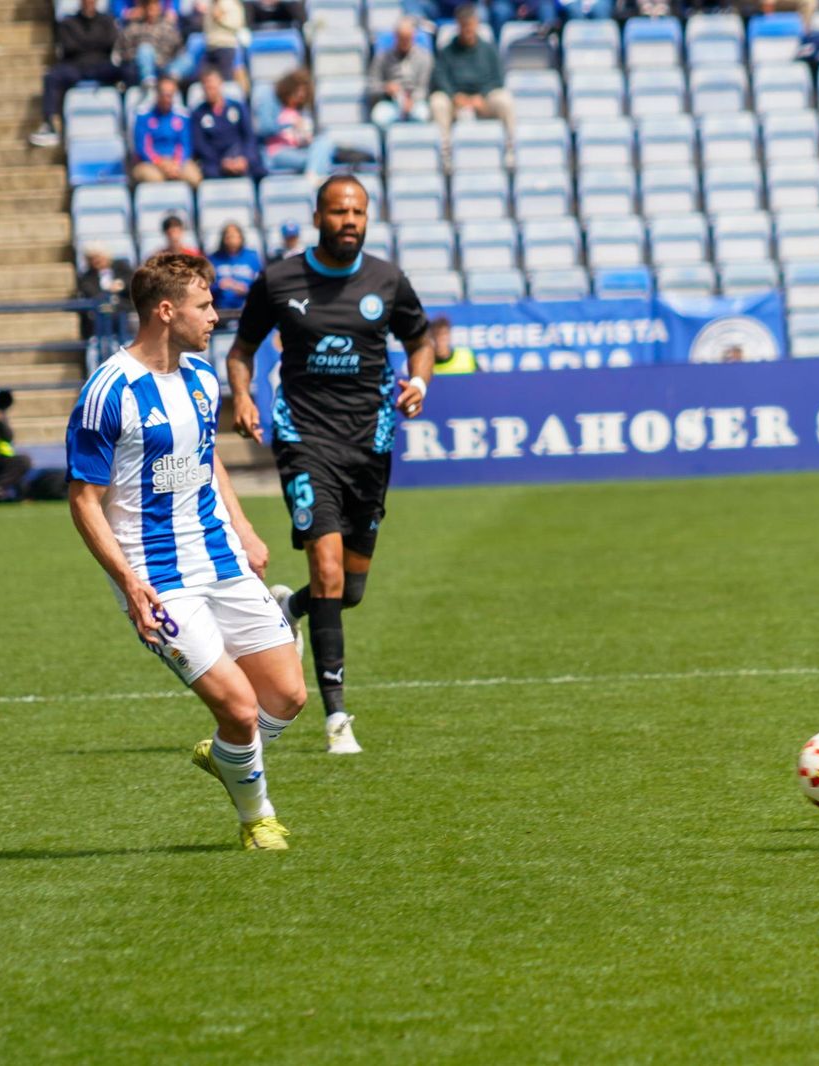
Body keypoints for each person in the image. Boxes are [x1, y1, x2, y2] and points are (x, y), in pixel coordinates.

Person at [65, 253, 307, 851]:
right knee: (241, 708)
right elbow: (84, 501)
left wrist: (245, 527)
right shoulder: (108, 391)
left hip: (220, 556)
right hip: (157, 575)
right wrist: (129, 584)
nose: (215, 315)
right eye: (204, 305)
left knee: (288, 696)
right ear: (166, 311)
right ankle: (258, 818)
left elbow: (206, 458)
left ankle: (229, 755)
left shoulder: (201, 377)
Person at [226, 177, 437, 755]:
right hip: (303, 438)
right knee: (327, 568)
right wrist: (242, 396)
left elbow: (420, 341)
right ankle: (337, 719)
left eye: (359, 212)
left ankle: (288, 608)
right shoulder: (280, 279)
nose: (349, 220)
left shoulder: (387, 280)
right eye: (339, 211)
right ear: (318, 215)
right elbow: (241, 350)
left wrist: (419, 379)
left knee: (348, 590)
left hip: (370, 442)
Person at [429, 4, 514, 166]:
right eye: (464, 26)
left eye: (471, 26)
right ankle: (445, 154)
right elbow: (440, 77)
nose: (468, 30)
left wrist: (481, 96)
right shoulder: (447, 52)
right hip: (456, 100)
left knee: (505, 100)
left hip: (483, 99)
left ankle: (509, 149)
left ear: (477, 25)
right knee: (437, 101)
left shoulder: (488, 49)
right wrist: (454, 96)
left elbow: (498, 78)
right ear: (458, 26)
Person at [31, 0, 123, 148]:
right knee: (52, 76)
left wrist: (84, 42)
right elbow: (68, 46)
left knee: (129, 70)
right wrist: (95, 43)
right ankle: (50, 124)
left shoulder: (107, 20)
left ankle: (129, 122)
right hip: (76, 67)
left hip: (101, 66)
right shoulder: (68, 22)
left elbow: (110, 42)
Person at [191, 65, 263, 180]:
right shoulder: (198, 113)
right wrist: (223, 162)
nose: (210, 90)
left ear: (220, 84)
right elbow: (200, 145)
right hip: (216, 161)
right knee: (210, 173)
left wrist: (244, 158)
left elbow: (249, 136)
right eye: (207, 87)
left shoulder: (237, 107)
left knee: (259, 169)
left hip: (239, 155)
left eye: (213, 86)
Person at [263, 68, 336, 178]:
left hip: (298, 150)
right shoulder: (275, 105)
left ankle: (312, 175)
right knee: (319, 160)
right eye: (297, 91)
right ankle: (313, 176)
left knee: (324, 142)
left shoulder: (301, 112)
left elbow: (302, 139)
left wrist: (306, 137)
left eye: (303, 92)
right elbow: (265, 129)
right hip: (278, 151)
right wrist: (289, 124)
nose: (300, 95)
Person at [132, 75, 202, 186]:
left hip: (176, 162)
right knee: (155, 179)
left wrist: (175, 164)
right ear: (157, 94)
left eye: (170, 95)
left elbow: (185, 145)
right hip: (151, 163)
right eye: (164, 94)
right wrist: (161, 164)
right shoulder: (144, 118)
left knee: (194, 177)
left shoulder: (182, 118)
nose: (167, 98)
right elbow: (143, 147)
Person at [367, 16, 433, 130]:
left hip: (415, 101)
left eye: (408, 38)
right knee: (379, 117)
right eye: (402, 38)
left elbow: (424, 87)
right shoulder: (382, 57)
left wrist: (412, 100)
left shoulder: (424, 57)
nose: (405, 42)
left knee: (422, 115)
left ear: (414, 37)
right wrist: (386, 88)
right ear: (396, 37)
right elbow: (371, 85)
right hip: (390, 102)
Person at [115, 0, 190, 86]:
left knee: (187, 60)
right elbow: (123, 52)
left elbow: (178, 49)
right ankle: (149, 81)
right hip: (140, 69)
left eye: (154, 8)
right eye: (149, 9)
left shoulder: (168, 27)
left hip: (165, 66)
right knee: (145, 49)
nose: (151, 12)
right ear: (143, 9)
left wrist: (164, 61)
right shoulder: (133, 27)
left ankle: (169, 80)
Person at [76, 244, 135, 348]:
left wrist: (121, 285)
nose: (97, 261)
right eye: (93, 258)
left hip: (125, 313)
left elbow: (133, 282)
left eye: (99, 257)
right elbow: (91, 294)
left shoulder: (121, 267)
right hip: (102, 320)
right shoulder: (87, 278)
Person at [209, 221, 262, 313]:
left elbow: (261, 284)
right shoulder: (213, 259)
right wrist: (220, 285)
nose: (231, 240)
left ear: (241, 238)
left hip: (248, 308)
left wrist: (247, 289)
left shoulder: (252, 257)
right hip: (221, 310)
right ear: (223, 239)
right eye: (228, 236)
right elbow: (207, 286)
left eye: (234, 236)